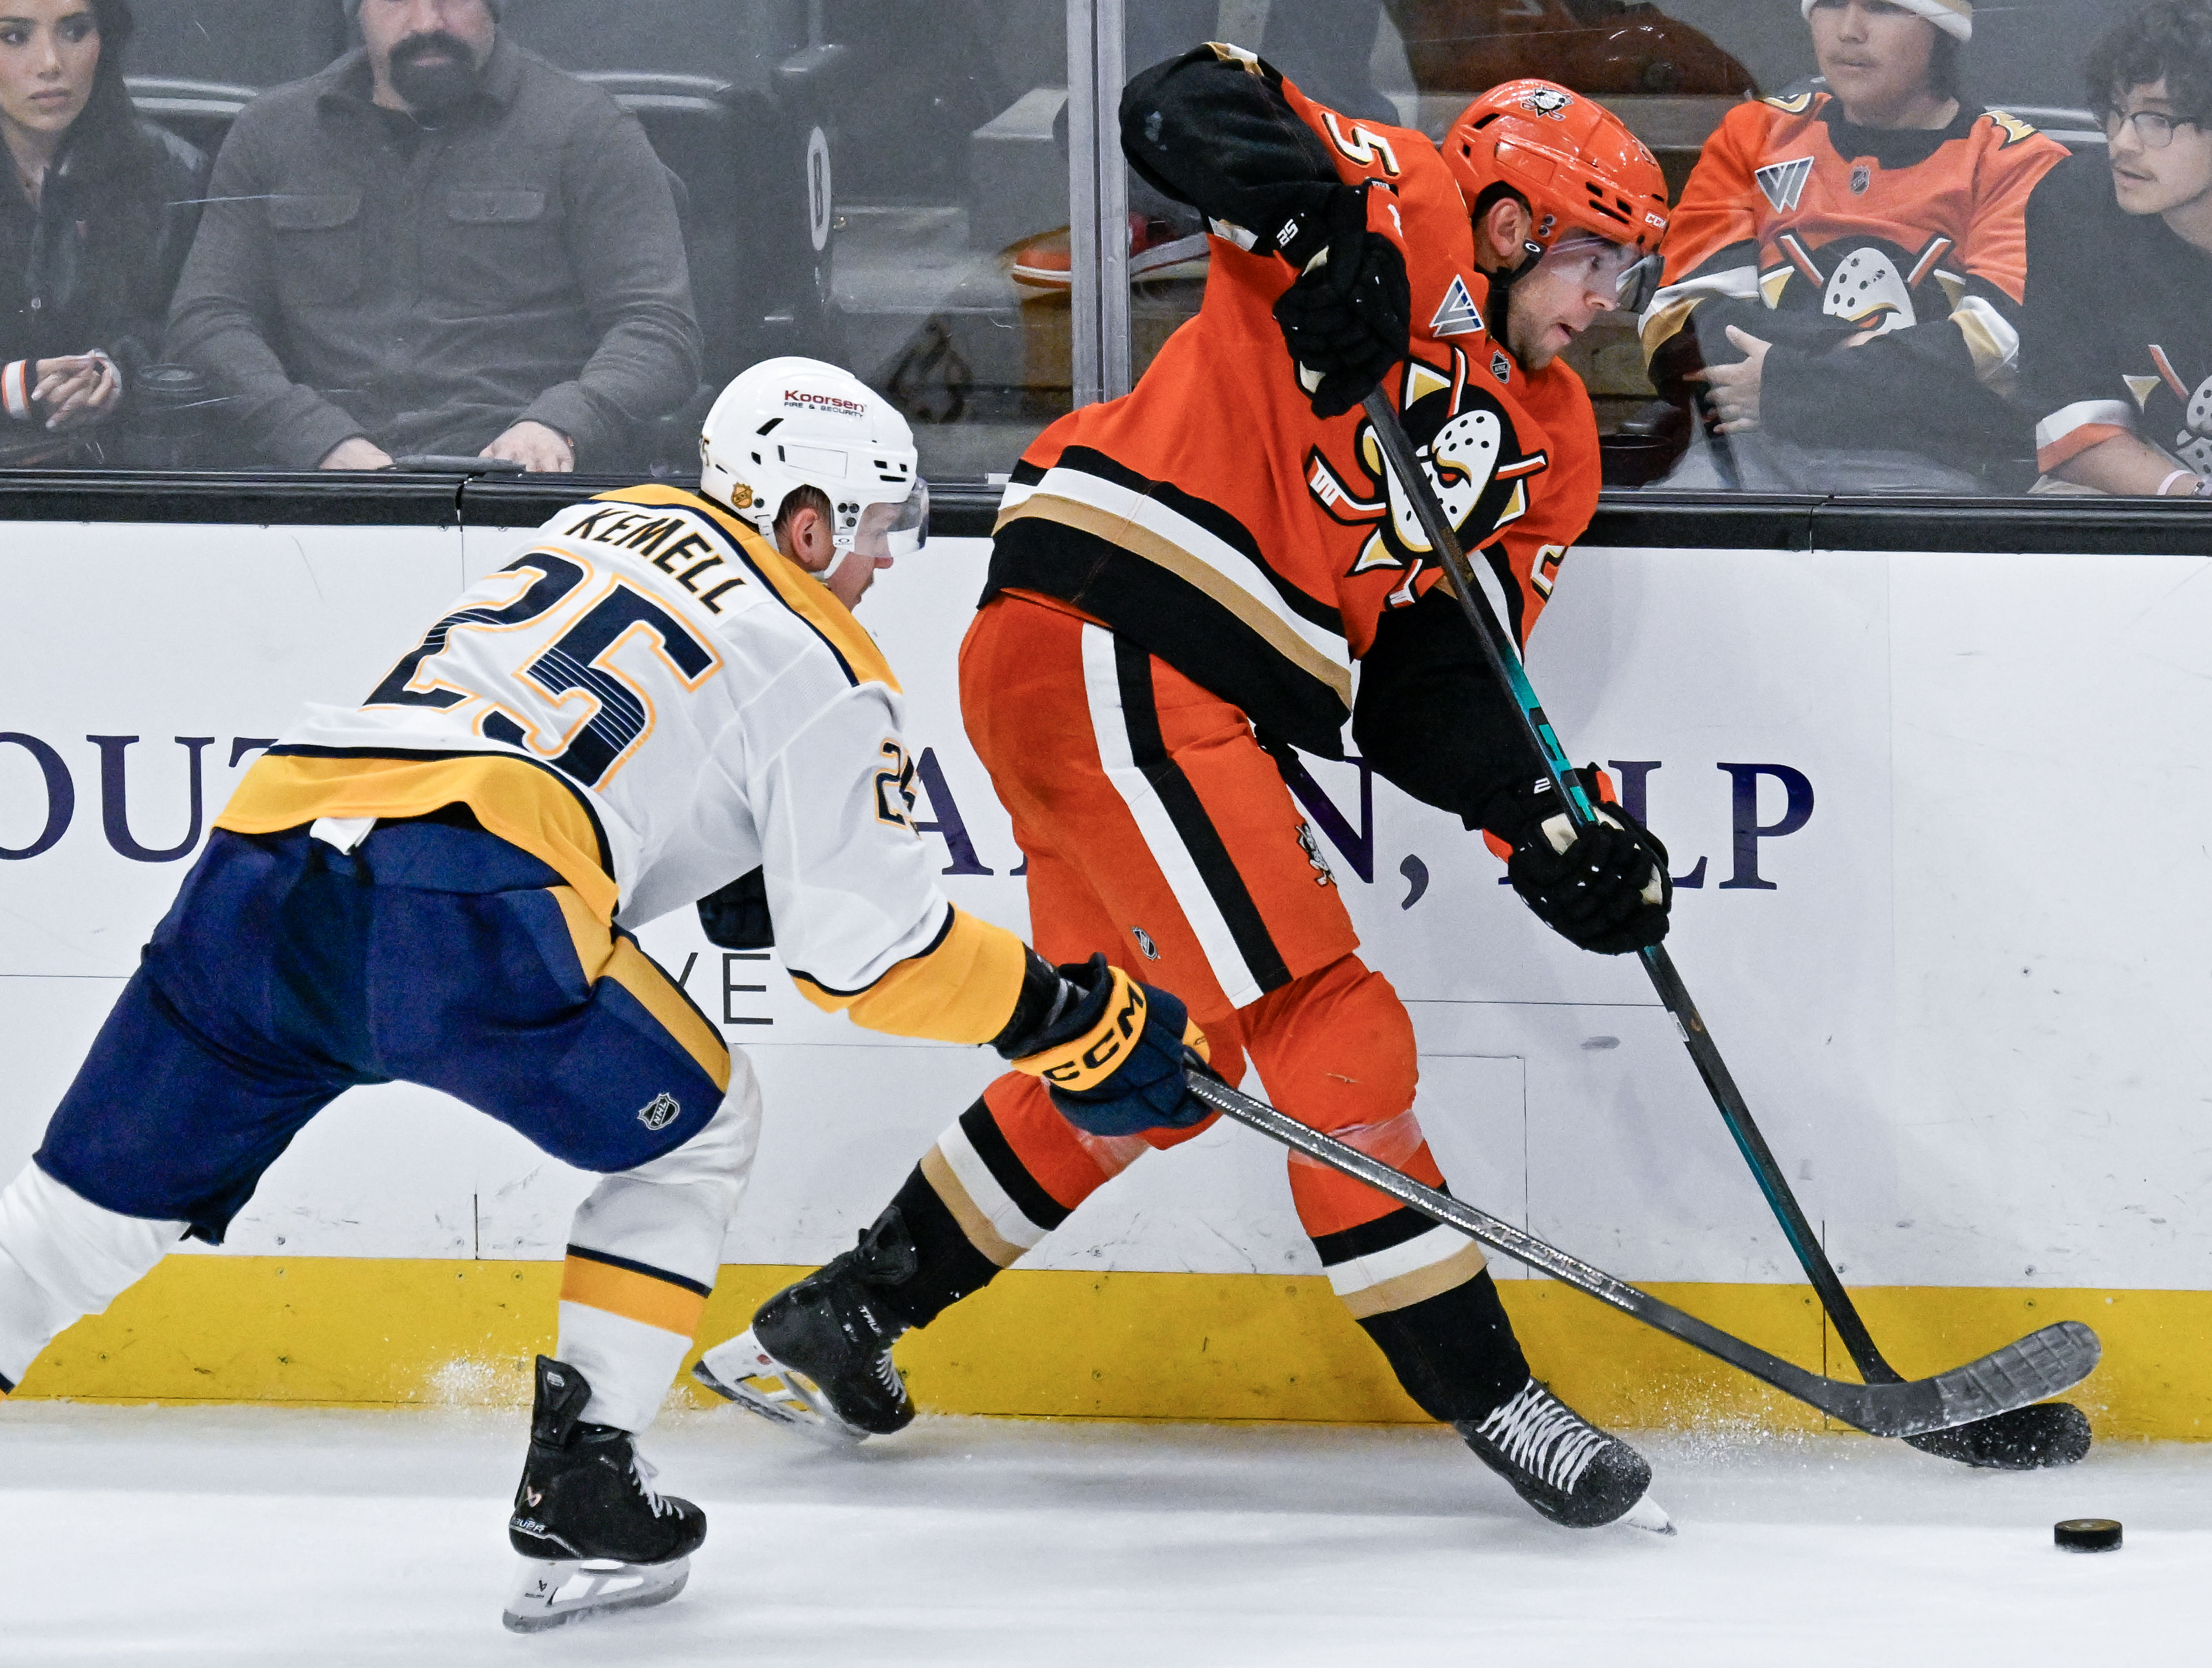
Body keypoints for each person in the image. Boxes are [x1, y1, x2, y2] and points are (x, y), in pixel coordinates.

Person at [0, 355, 1212, 1632]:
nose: (881, 562)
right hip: (472, 905)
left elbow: (605, 729)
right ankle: (583, 1485)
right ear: (806, 520)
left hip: (273, 856)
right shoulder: (824, 652)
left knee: (71, 1225)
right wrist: (1076, 1024)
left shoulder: (597, 521)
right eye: (870, 528)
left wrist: (729, 854)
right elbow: (870, 952)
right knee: (706, 1122)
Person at [696, 52, 1680, 1535]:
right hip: (1125, 620)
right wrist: (1316, 240)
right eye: (1598, 258)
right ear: (1514, 218)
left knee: (1149, 1058)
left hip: (1125, 667)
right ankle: (1489, 1393)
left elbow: (1429, 684)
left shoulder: (1553, 450)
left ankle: (841, 1320)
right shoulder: (1397, 195)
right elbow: (1177, 96)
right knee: (1327, 1024)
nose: (1607, 301)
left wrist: (1550, 821)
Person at [165, 0, 701, 473]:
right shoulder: (271, 133)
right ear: (355, 10)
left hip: (528, 484)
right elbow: (208, 319)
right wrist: (311, 436)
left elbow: (657, 330)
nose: (427, 21)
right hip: (319, 481)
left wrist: (559, 424)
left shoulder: (588, 130)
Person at [1641, 0, 2067, 492]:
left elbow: (1997, 349)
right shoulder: (1753, 134)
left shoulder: (2017, 162)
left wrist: (1785, 383)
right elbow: (1676, 325)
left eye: (1882, 8)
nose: (1848, 30)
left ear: (1941, 30)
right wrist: (1871, 362)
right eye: (1829, 4)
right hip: (1746, 453)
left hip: (1934, 466)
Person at [1, 0, 206, 460]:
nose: (51, 64)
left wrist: (113, 375)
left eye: (75, 32)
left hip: (123, 480)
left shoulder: (173, 173)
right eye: (14, 37)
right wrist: (17, 389)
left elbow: (203, 337)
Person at [2024, 1, 2212, 495]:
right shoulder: (2074, 204)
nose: (2121, 143)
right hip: (2157, 479)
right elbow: (2072, 428)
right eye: (2115, 111)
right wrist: (2187, 498)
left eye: (2158, 120)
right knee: (2059, 502)